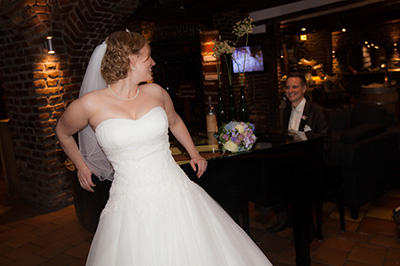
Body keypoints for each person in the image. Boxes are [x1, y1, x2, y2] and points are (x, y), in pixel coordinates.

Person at [56, 30, 272, 266]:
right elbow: (63, 132)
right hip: (130, 201)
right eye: (148, 56)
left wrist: (194, 153)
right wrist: (81, 166)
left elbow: (175, 121)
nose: (153, 62)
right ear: (131, 60)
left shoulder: (156, 92)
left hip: (175, 190)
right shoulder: (89, 104)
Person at [267, 72, 331, 233]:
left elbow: (325, 144)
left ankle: (307, 228)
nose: (290, 90)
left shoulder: (318, 111)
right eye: (288, 87)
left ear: (304, 89)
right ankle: (285, 218)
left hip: (311, 162)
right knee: (267, 178)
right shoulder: (286, 111)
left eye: (294, 87)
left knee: (297, 183)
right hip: (290, 160)